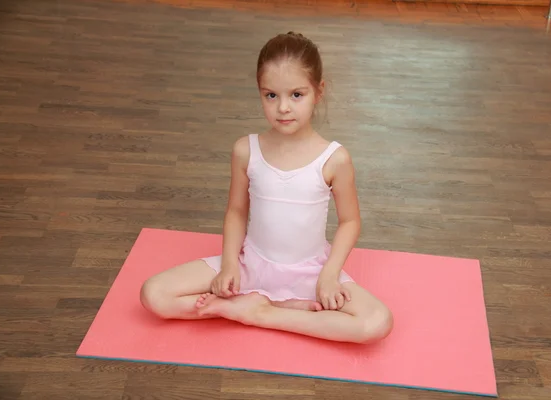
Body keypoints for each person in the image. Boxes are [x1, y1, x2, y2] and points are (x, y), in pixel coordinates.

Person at [140, 32, 393, 344]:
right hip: (250, 264)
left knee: (376, 323)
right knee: (153, 294)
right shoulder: (246, 150)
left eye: (296, 95)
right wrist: (230, 265)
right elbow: (236, 211)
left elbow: (350, 221)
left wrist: (329, 275)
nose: (283, 107)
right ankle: (281, 309)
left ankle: (260, 312)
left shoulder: (334, 159)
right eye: (271, 95)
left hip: (309, 274)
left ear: (319, 91)